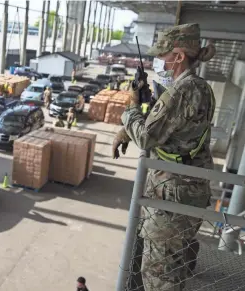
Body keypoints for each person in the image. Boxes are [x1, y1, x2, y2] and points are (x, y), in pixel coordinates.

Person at [112, 23, 216, 291]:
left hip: (172, 195)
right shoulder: (197, 87)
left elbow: (148, 137)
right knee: (172, 268)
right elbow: (172, 131)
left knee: (160, 278)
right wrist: (131, 127)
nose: (158, 61)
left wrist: (131, 109)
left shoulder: (182, 90)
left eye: (162, 55)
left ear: (179, 56)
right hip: (184, 189)